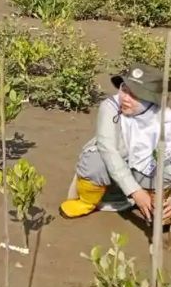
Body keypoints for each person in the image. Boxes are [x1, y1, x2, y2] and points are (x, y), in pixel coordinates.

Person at [60, 65, 171, 221]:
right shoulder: (110, 107)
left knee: (166, 165)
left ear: (153, 100)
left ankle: (153, 198)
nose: (125, 98)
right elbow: (108, 150)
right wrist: (135, 191)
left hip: (147, 172)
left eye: (135, 95)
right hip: (114, 169)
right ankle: (87, 202)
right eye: (124, 89)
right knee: (95, 160)